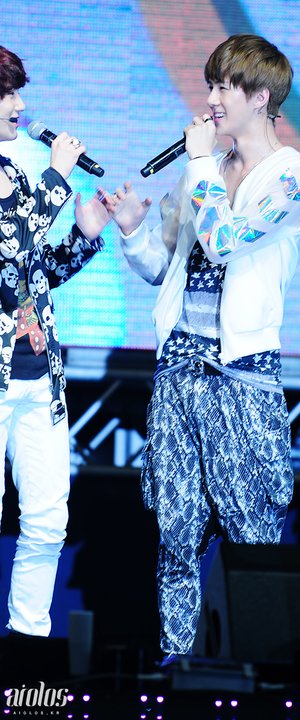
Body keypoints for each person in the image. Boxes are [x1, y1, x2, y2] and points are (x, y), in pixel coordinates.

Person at [103, 33, 300, 663]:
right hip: (179, 366)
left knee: (251, 526)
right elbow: (161, 266)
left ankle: (261, 665)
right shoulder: (204, 169)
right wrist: (132, 229)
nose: (212, 99)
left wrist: (199, 166)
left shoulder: (294, 176)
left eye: (225, 87)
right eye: (211, 86)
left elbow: (224, 242)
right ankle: (177, 661)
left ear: (261, 96)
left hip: (240, 372)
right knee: (176, 528)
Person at [0, 45, 110, 644]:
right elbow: (11, 242)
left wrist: (85, 236)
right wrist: (60, 174)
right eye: (7, 93)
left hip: (39, 374)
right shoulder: (31, 180)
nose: (19, 104)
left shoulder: (16, 174)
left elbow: (31, 271)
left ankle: (27, 647)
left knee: (46, 522)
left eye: (18, 91)